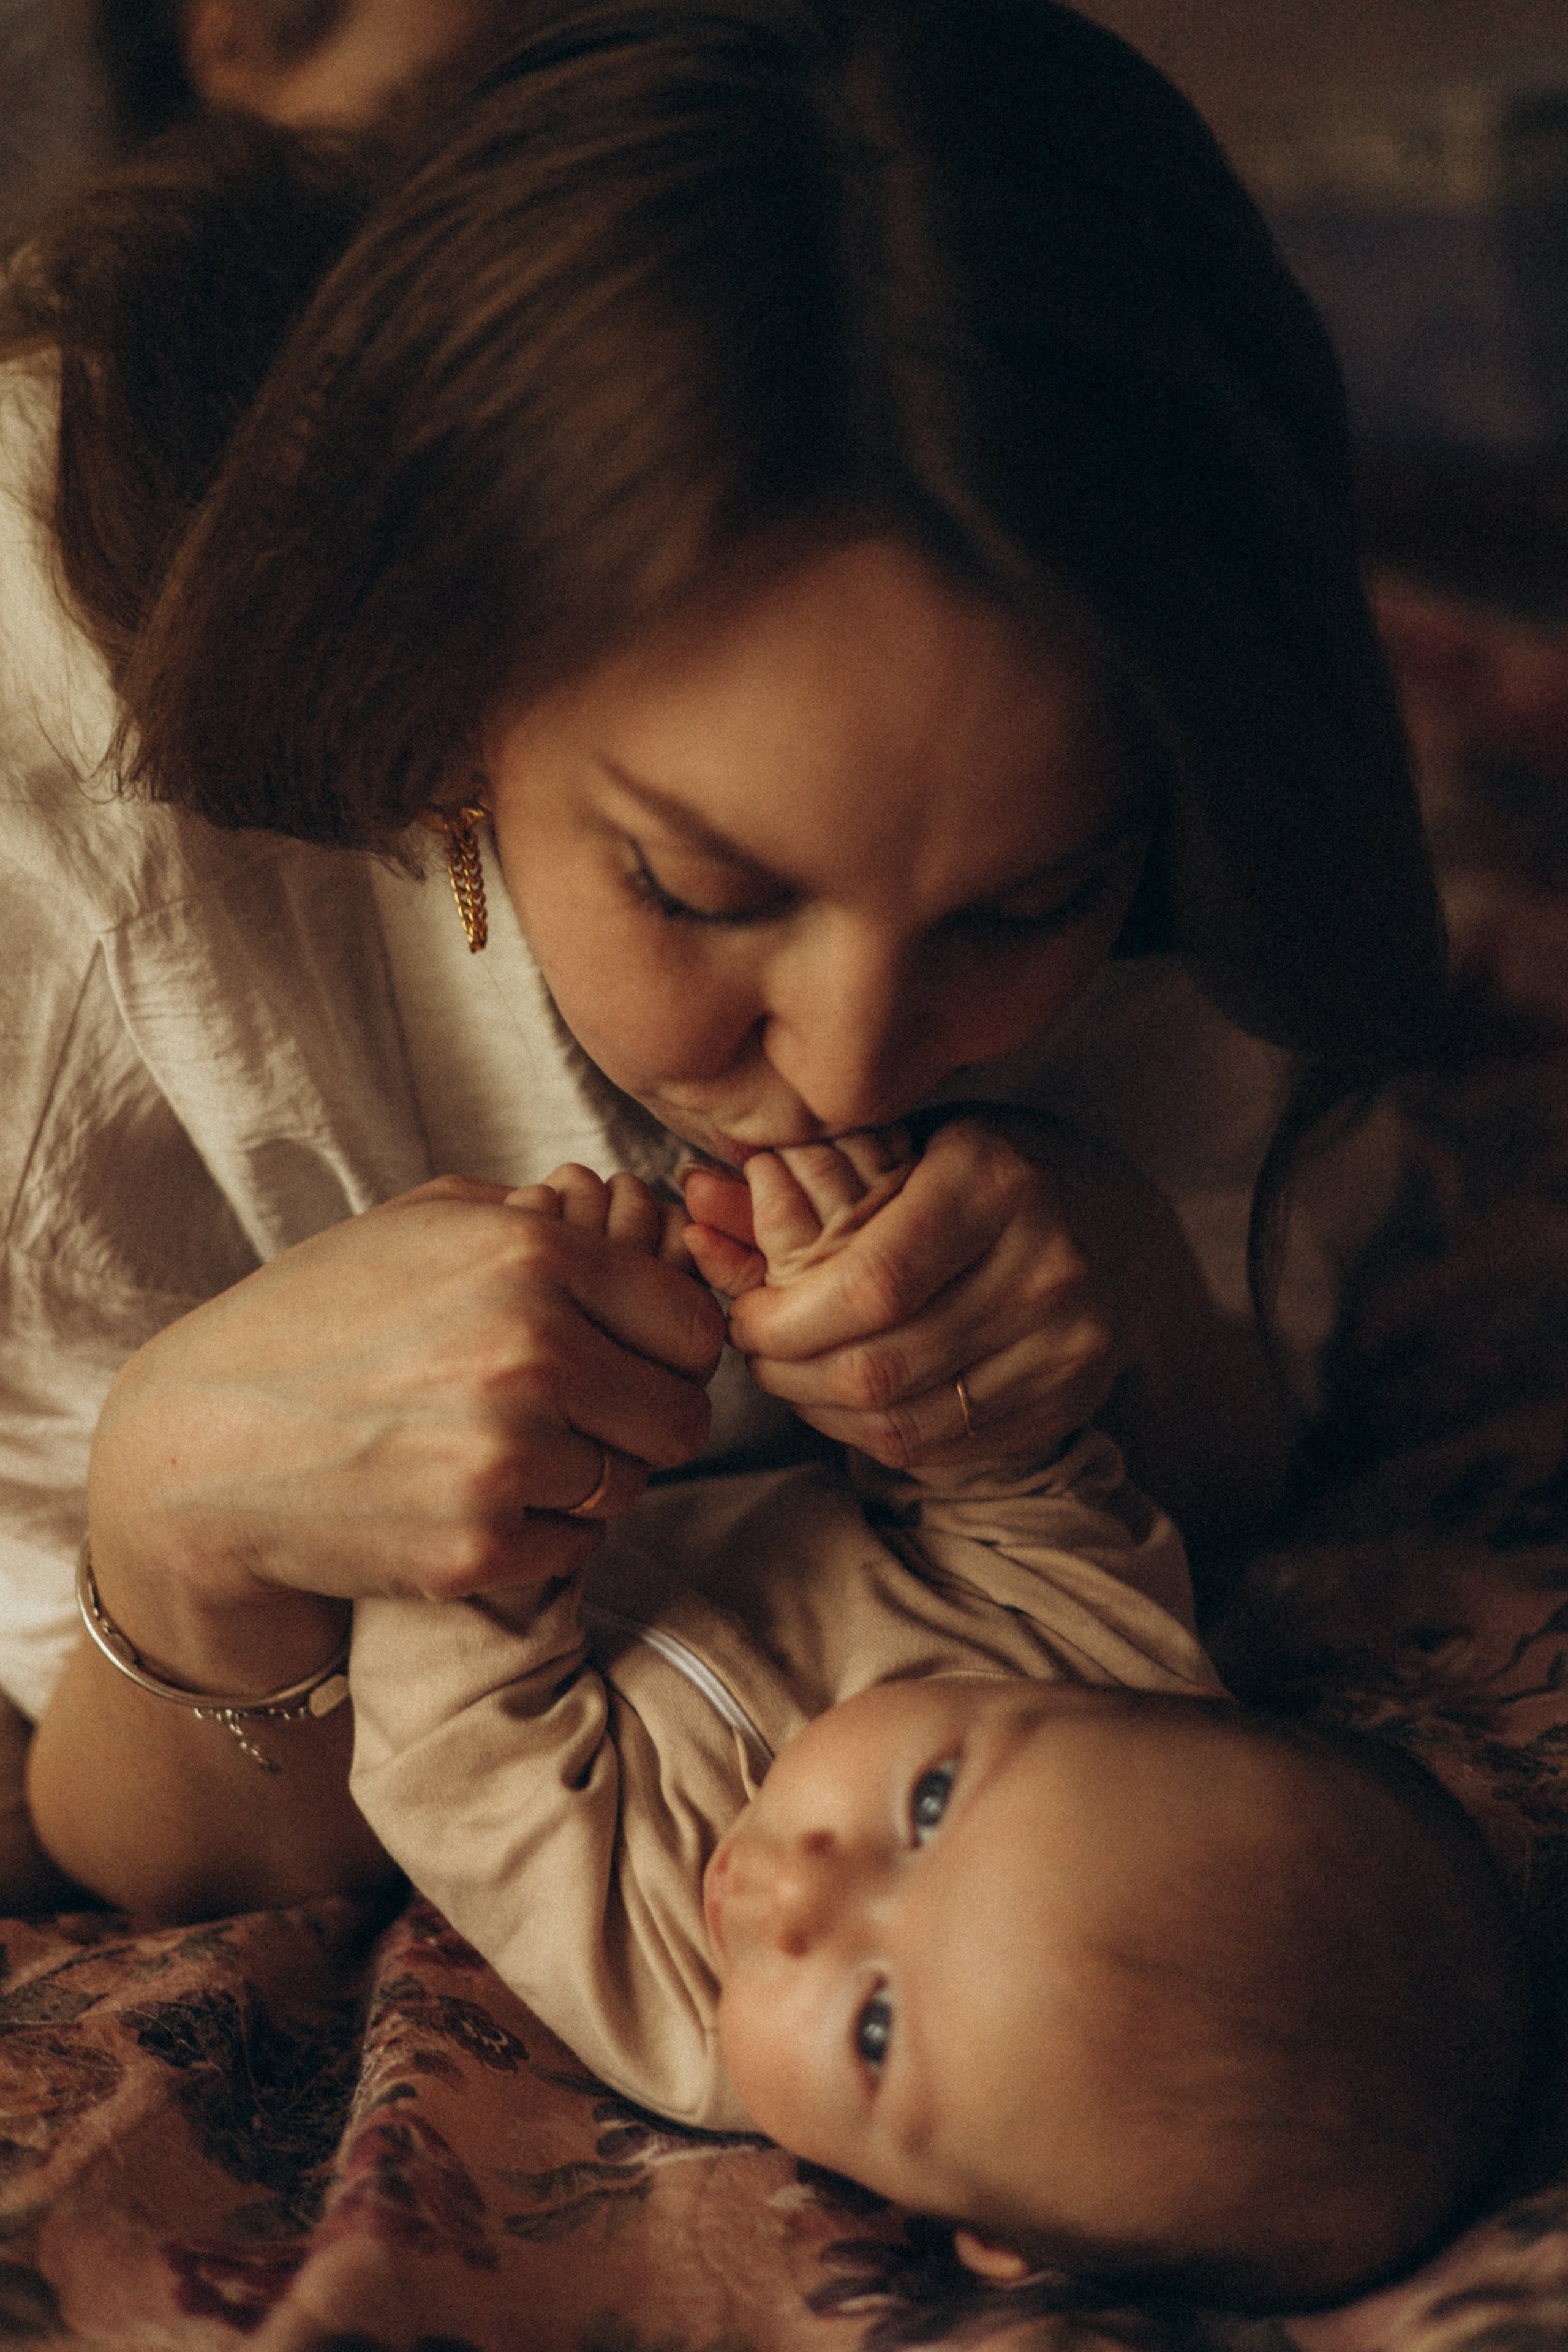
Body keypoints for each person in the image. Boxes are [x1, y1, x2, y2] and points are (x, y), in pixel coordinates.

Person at [1, 0, 1443, 1920]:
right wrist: (186, 1511)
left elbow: (1250, 1441)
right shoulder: (75, 826)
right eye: (696, 888)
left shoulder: (1163, 639)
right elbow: (146, 1855)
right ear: (446, 695)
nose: (856, 1072)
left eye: (1025, 913)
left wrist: (1123, 1301)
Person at [348, 1142, 1526, 2318]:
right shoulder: (1097, 1651)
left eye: (873, 2027)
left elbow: (458, 1745)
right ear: (1168, 1710)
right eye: (928, 1805)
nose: (800, 1897)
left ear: (984, 2233)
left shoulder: (679, 2020)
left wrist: (546, 1443)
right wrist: (851, 1301)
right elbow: (997, 1460)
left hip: (509, 1492)